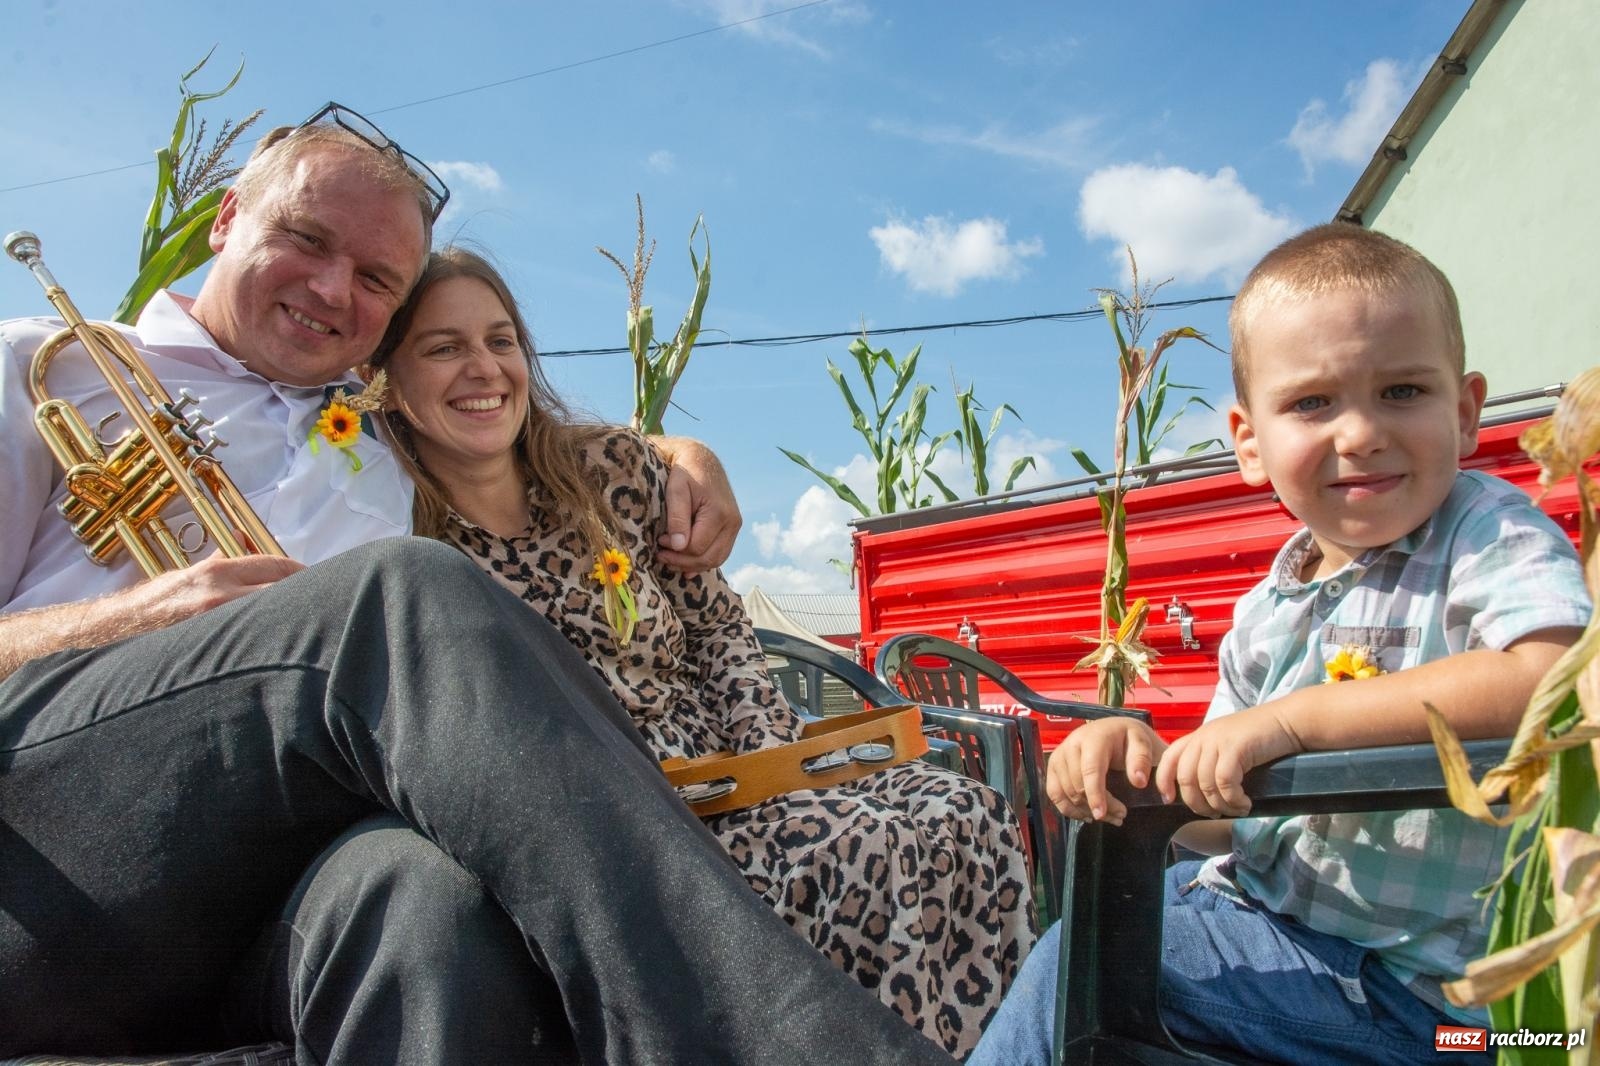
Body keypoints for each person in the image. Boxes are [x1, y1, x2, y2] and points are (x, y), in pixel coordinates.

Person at [0, 106, 958, 1064]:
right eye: (305, 238)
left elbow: (524, 445)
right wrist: (135, 616)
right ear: (224, 218)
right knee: (401, 589)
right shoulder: (45, 366)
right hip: (52, 854)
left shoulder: (386, 450)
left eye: (377, 279)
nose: (333, 288)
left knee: (429, 908)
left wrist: (676, 452)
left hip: (255, 903)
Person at [365, 245, 1038, 1058]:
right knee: (855, 849)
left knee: (965, 811)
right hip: (618, 818)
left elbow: (719, 628)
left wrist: (771, 759)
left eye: (501, 341)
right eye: (444, 347)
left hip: (741, 763)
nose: (485, 368)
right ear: (389, 379)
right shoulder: (398, 533)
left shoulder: (609, 473)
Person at [968, 224, 1591, 1066]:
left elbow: (1552, 681)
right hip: (1281, 927)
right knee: (1101, 925)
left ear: (1468, 410)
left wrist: (1297, 721)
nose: (1361, 432)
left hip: (1439, 1008)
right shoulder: (1270, 605)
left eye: (1403, 391)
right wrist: (1142, 765)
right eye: (1312, 403)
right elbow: (1221, 821)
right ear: (1249, 442)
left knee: (1074, 965)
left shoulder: (1485, 532)